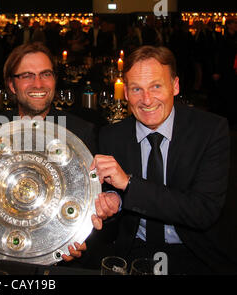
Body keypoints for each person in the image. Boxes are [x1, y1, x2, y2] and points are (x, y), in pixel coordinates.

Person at [0, 42, 120, 263]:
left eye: (45, 74)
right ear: (11, 85)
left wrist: (84, 236)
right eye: (27, 75)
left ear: (54, 79)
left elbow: (104, 210)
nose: (38, 84)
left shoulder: (82, 133)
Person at [91, 45, 235, 274]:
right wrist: (112, 204)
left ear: (175, 86)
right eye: (136, 89)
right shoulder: (111, 135)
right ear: (126, 94)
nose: (147, 100)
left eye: (156, 86)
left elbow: (203, 211)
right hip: (132, 249)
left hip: (194, 251)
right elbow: (111, 209)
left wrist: (129, 184)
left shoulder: (210, 131)